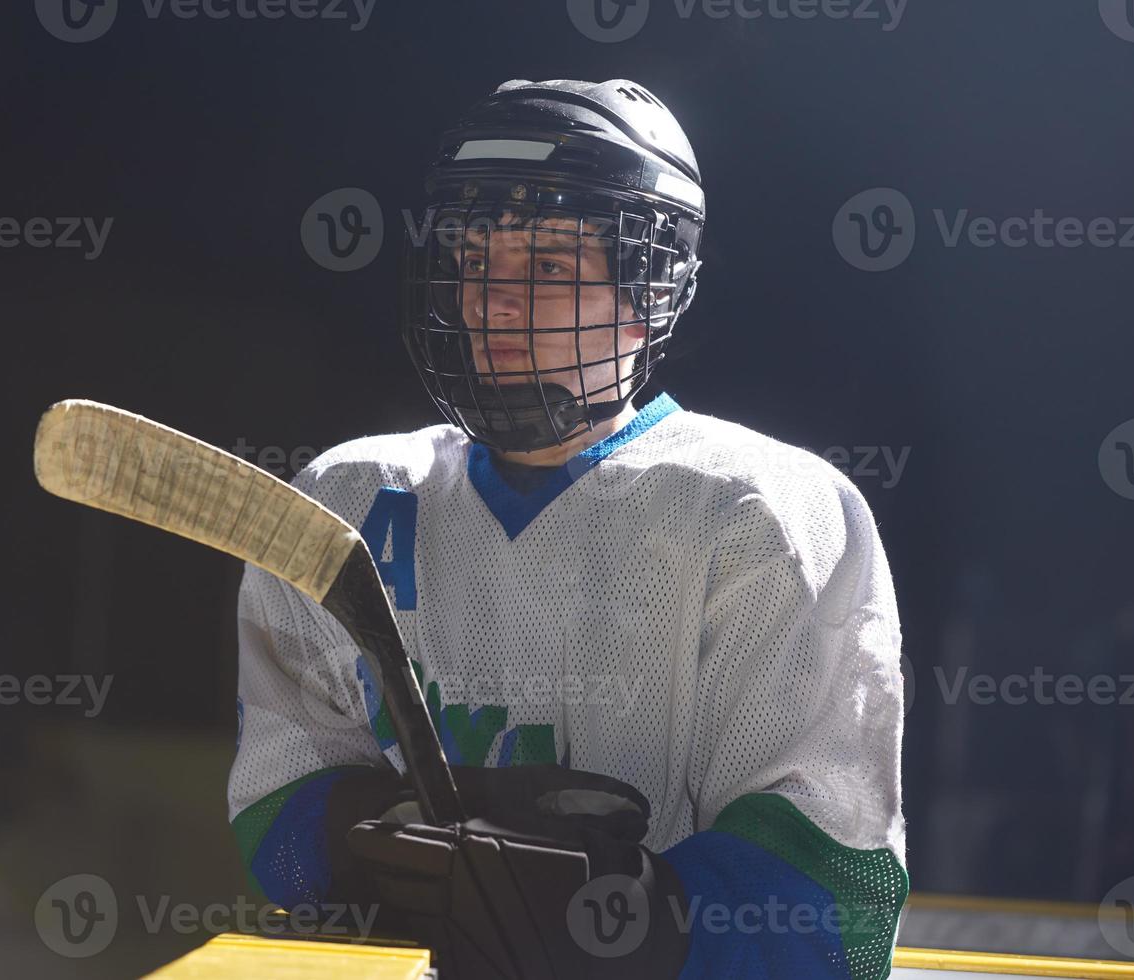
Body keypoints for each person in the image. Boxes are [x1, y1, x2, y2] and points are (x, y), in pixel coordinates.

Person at [228, 77, 907, 978]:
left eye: (546, 266)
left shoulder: (766, 511)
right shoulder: (348, 497)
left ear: (650, 288)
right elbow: (281, 810)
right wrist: (382, 842)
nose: (494, 302)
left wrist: (618, 915)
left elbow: (830, 892)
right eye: (474, 259)